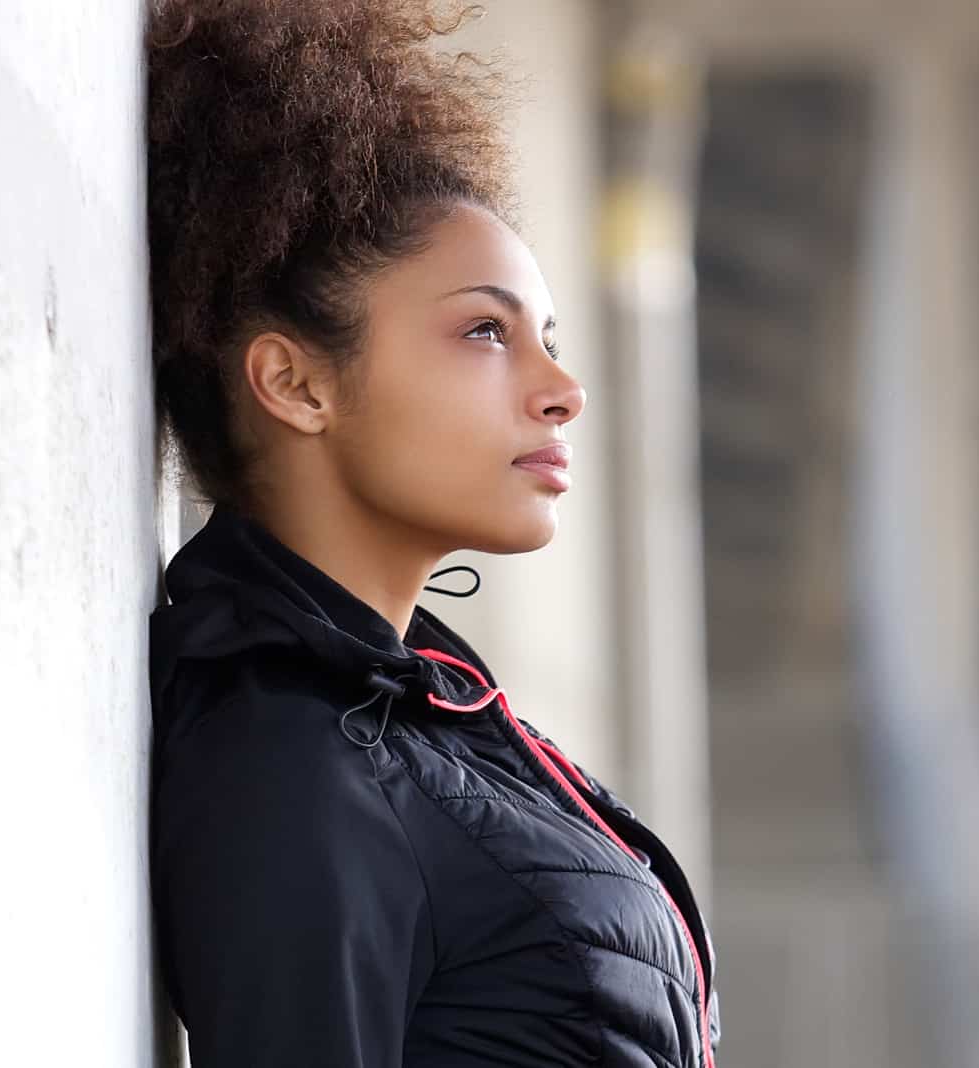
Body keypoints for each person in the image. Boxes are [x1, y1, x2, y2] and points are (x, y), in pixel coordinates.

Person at [144, 2, 720, 1065]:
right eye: (484, 332)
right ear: (297, 381)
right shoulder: (297, 766)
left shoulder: (429, 722)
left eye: (545, 337)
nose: (562, 391)